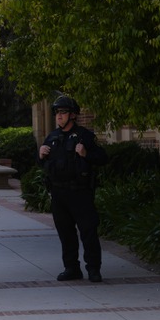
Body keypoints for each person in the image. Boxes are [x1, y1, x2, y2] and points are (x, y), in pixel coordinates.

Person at [38, 95, 108, 283]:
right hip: (59, 193)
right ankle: (71, 268)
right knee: (65, 233)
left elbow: (102, 158)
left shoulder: (84, 135)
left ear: (73, 115)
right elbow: (45, 165)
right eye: (57, 113)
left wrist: (86, 154)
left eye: (63, 113)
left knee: (88, 231)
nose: (59, 117)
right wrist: (41, 155)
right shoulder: (52, 137)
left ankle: (93, 268)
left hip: (80, 192)